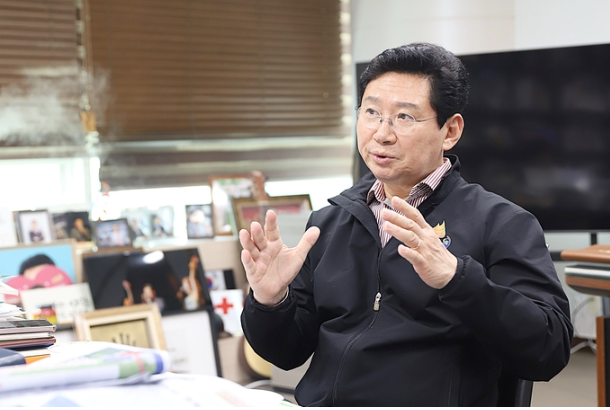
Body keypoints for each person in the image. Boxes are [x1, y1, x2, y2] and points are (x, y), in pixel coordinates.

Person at [238, 42, 573, 407]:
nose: (382, 133)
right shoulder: (330, 221)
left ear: (450, 131)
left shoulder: (502, 223)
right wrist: (271, 301)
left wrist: (457, 279)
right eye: (371, 112)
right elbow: (286, 353)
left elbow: (549, 349)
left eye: (404, 117)